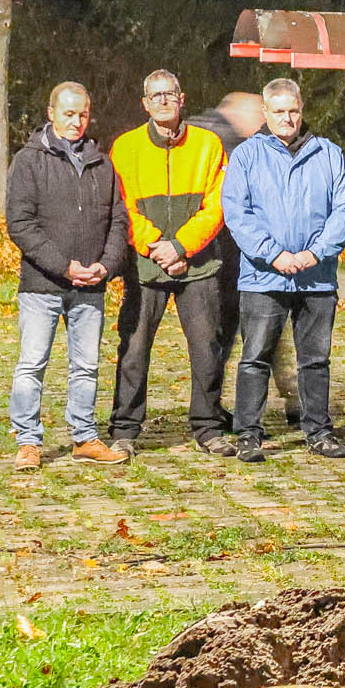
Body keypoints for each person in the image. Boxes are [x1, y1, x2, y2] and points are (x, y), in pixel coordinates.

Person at [219, 77, 345, 462]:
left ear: (302, 109)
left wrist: (317, 252)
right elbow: (236, 212)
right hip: (264, 276)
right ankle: (248, 433)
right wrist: (273, 254)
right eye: (278, 111)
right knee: (256, 357)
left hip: (316, 278)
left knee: (315, 359)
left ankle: (318, 430)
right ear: (265, 113)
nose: (287, 118)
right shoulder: (248, 155)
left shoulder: (328, 153)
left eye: (293, 110)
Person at [4, 82, 133, 468]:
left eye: (83, 115)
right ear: (51, 113)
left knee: (87, 366)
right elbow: (20, 225)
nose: (77, 122)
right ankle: (28, 441)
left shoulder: (102, 163)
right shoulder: (28, 161)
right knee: (32, 364)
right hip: (43, 285)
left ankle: (84, 436)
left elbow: (118, 220)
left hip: (91, 286)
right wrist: (63, 267)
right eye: (69, 114)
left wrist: (106, 266)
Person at [108, 69, 231, 457]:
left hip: (199, 264)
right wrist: (156, 246)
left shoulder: (208, 145)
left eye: (170, 94)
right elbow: (122, 207)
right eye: (155, 95)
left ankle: (208, 426)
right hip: (145, 264)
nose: (163, 100)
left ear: (182, 99)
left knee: (207, 348)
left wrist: (181, 247)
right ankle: (125, 428)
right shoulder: (125, 148)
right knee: (134, 347)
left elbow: (218, 204)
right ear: (144, 103)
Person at [191, 90, 303, 427]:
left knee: (247, 335)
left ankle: (283, 399)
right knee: (240, 336)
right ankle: (287, 400)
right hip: (228, 258)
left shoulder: (223, 136)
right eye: (259, 114)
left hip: (240, 257)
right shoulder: (222, 141)